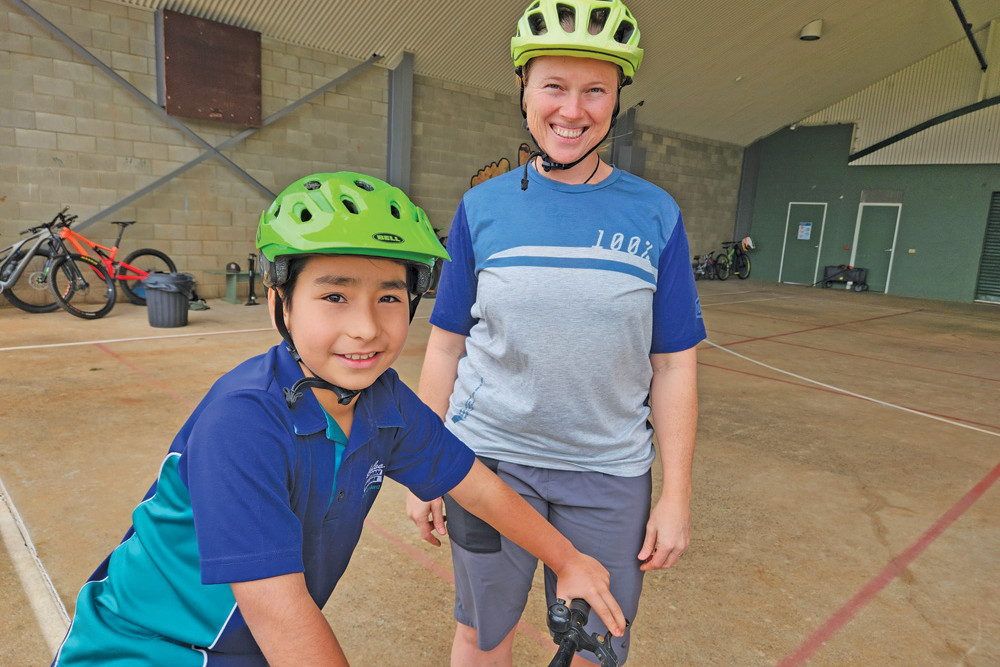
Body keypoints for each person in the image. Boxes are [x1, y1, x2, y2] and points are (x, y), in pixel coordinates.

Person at [52, 172, 624, 667]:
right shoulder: (244, 420)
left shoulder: (385, 401)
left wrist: (567, 559)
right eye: (334, 297)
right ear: (281, 304)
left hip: (243, 648)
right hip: (153, 649)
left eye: (390, 298)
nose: (367, 328)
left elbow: (475, 486)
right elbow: (281, 614)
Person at [405, 1, 706, 664]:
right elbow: (446, 345)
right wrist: (428, 467)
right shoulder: (481, 209)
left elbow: (675, 364)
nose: (573, 110)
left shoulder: (655, 214)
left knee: (598, 644)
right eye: (554, 87)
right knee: (484, 634)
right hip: (488, 466)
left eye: (595, 90)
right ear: (524, 90)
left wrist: (677, 495)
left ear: (617, 98)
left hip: (609, 475)